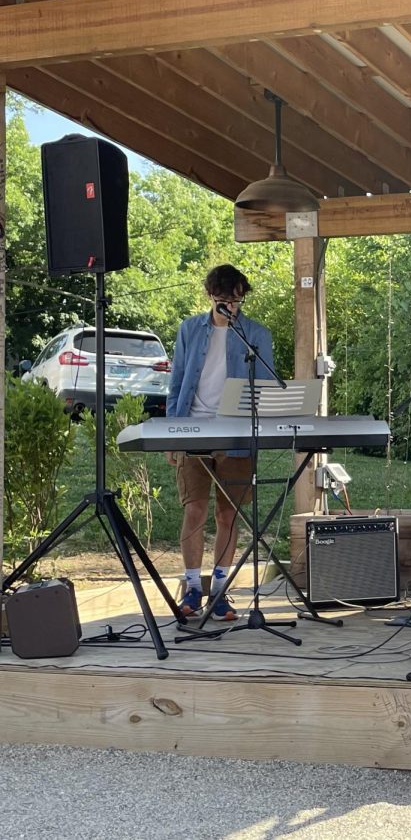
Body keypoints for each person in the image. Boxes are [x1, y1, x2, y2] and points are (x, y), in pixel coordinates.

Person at [166, 264, 275, 621]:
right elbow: (178, 380)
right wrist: (171, 432)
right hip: (193, 429)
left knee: (227, 513)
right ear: (211, 296)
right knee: (194, 509)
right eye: (225, 299)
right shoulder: (189, 329)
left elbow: (267, 388)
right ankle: (193, 588)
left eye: (238, 299)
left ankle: (222, 591)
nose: (233, 305)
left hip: (237, 434)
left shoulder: (256, 334)